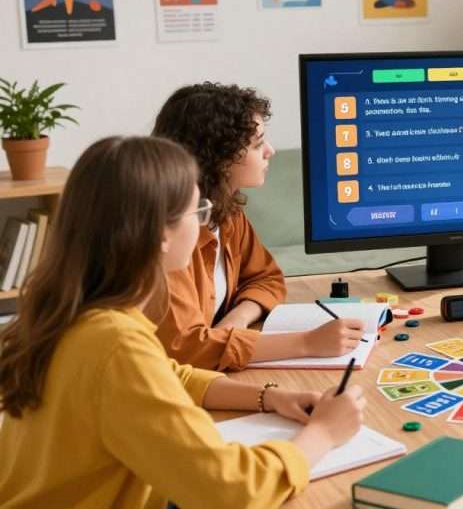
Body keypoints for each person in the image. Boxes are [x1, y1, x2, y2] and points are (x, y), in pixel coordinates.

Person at [0, 136, 367, 508]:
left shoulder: (73, 313)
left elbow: (168, 375)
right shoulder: (115, 344)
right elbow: (230, 492)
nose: (205, 224)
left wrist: (269, 397)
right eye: (198, 212)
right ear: (161, 233)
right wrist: (324, 433)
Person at [152, 83, 365, 371]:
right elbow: (187, 349)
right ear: (218, 158)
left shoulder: (227, 212)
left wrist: (235, 321)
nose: (270, 151)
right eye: (256, 144)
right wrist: (307, 343)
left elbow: (267, 277)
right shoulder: (170, 239)